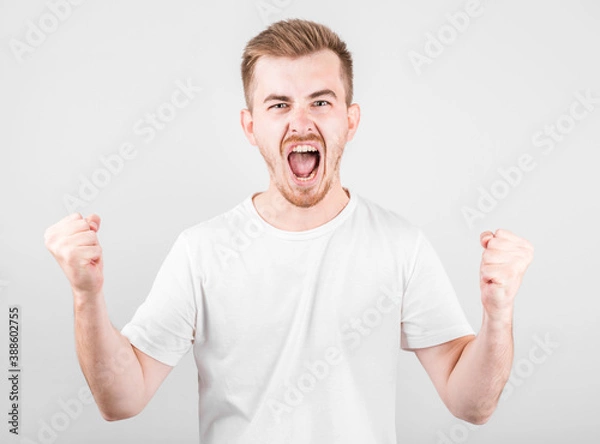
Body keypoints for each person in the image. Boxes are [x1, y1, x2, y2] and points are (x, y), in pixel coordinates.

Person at [44, 19, 534, 444]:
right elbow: (122, 399)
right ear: (250, 125)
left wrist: (498, 313)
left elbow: (472, 404)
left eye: (320, 101)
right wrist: (87, 296)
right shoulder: (202, 251)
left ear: (350, 119)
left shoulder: (400, 245)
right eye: (278, 105)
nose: (300, 122)